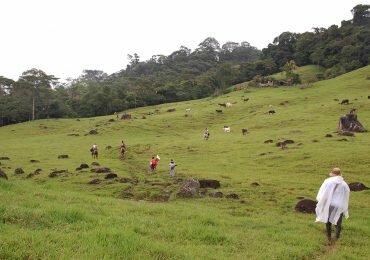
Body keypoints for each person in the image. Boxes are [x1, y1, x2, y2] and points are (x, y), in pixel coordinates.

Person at [315, 167, 350, 244]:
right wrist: (344, 205)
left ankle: (329, 237)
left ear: (332, 174)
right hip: (339, 205)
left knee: (328, 221)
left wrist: (321, 201)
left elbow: (322, 192)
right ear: (340, 174)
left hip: (329, 204)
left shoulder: (328, 181)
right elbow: (346, 195)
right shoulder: (344, 184)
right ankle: (337, 237)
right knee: (338, 221)